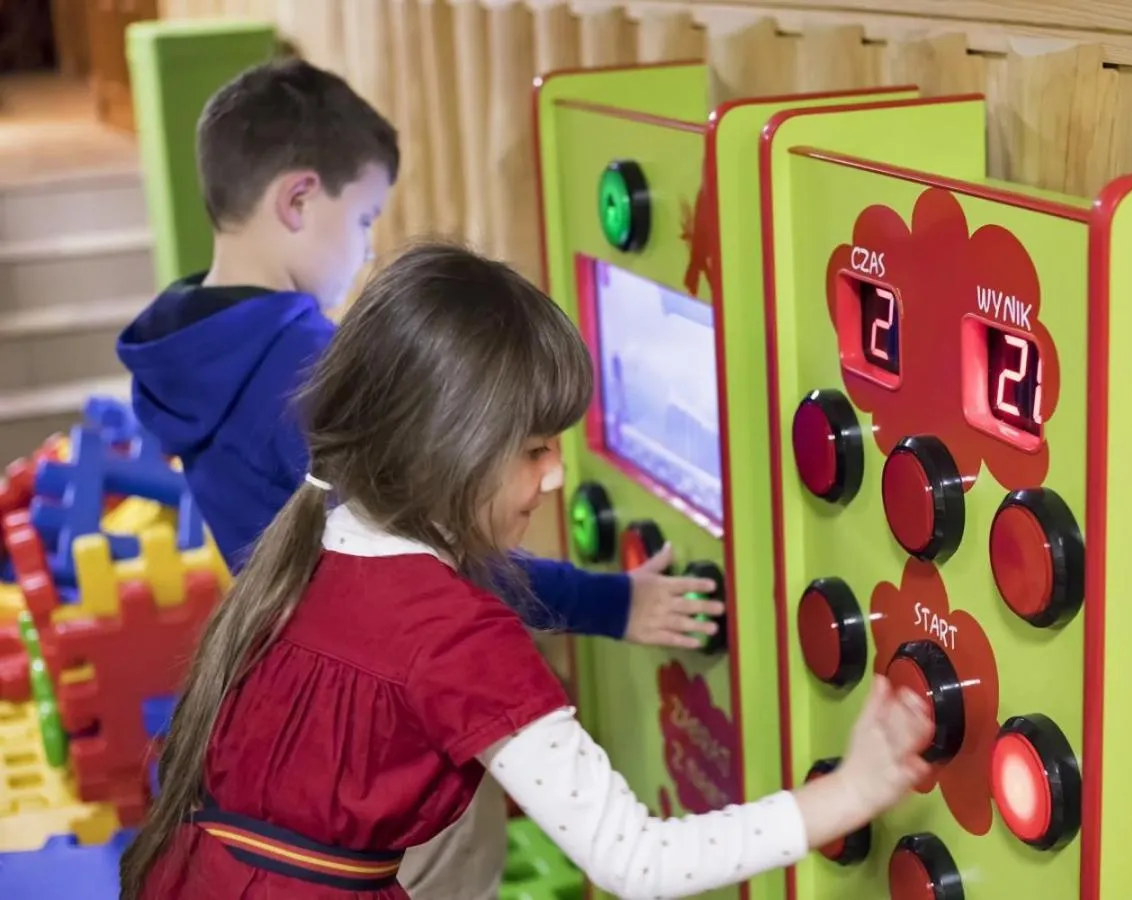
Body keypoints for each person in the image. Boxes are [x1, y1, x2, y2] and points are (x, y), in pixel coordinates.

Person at [118, 242, 933, 900]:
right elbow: (635, 861)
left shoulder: (322, 537)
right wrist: (849, 793)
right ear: (447, 450)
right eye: (536, 449)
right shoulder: (453, 633)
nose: (555, 477)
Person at [114, 58, 724, 898]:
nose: (365, 245)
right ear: (298, 200)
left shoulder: (187, 351)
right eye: (363, 217)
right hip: (372, 744)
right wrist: (614, 602)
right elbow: (435, 574)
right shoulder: (299, 372)